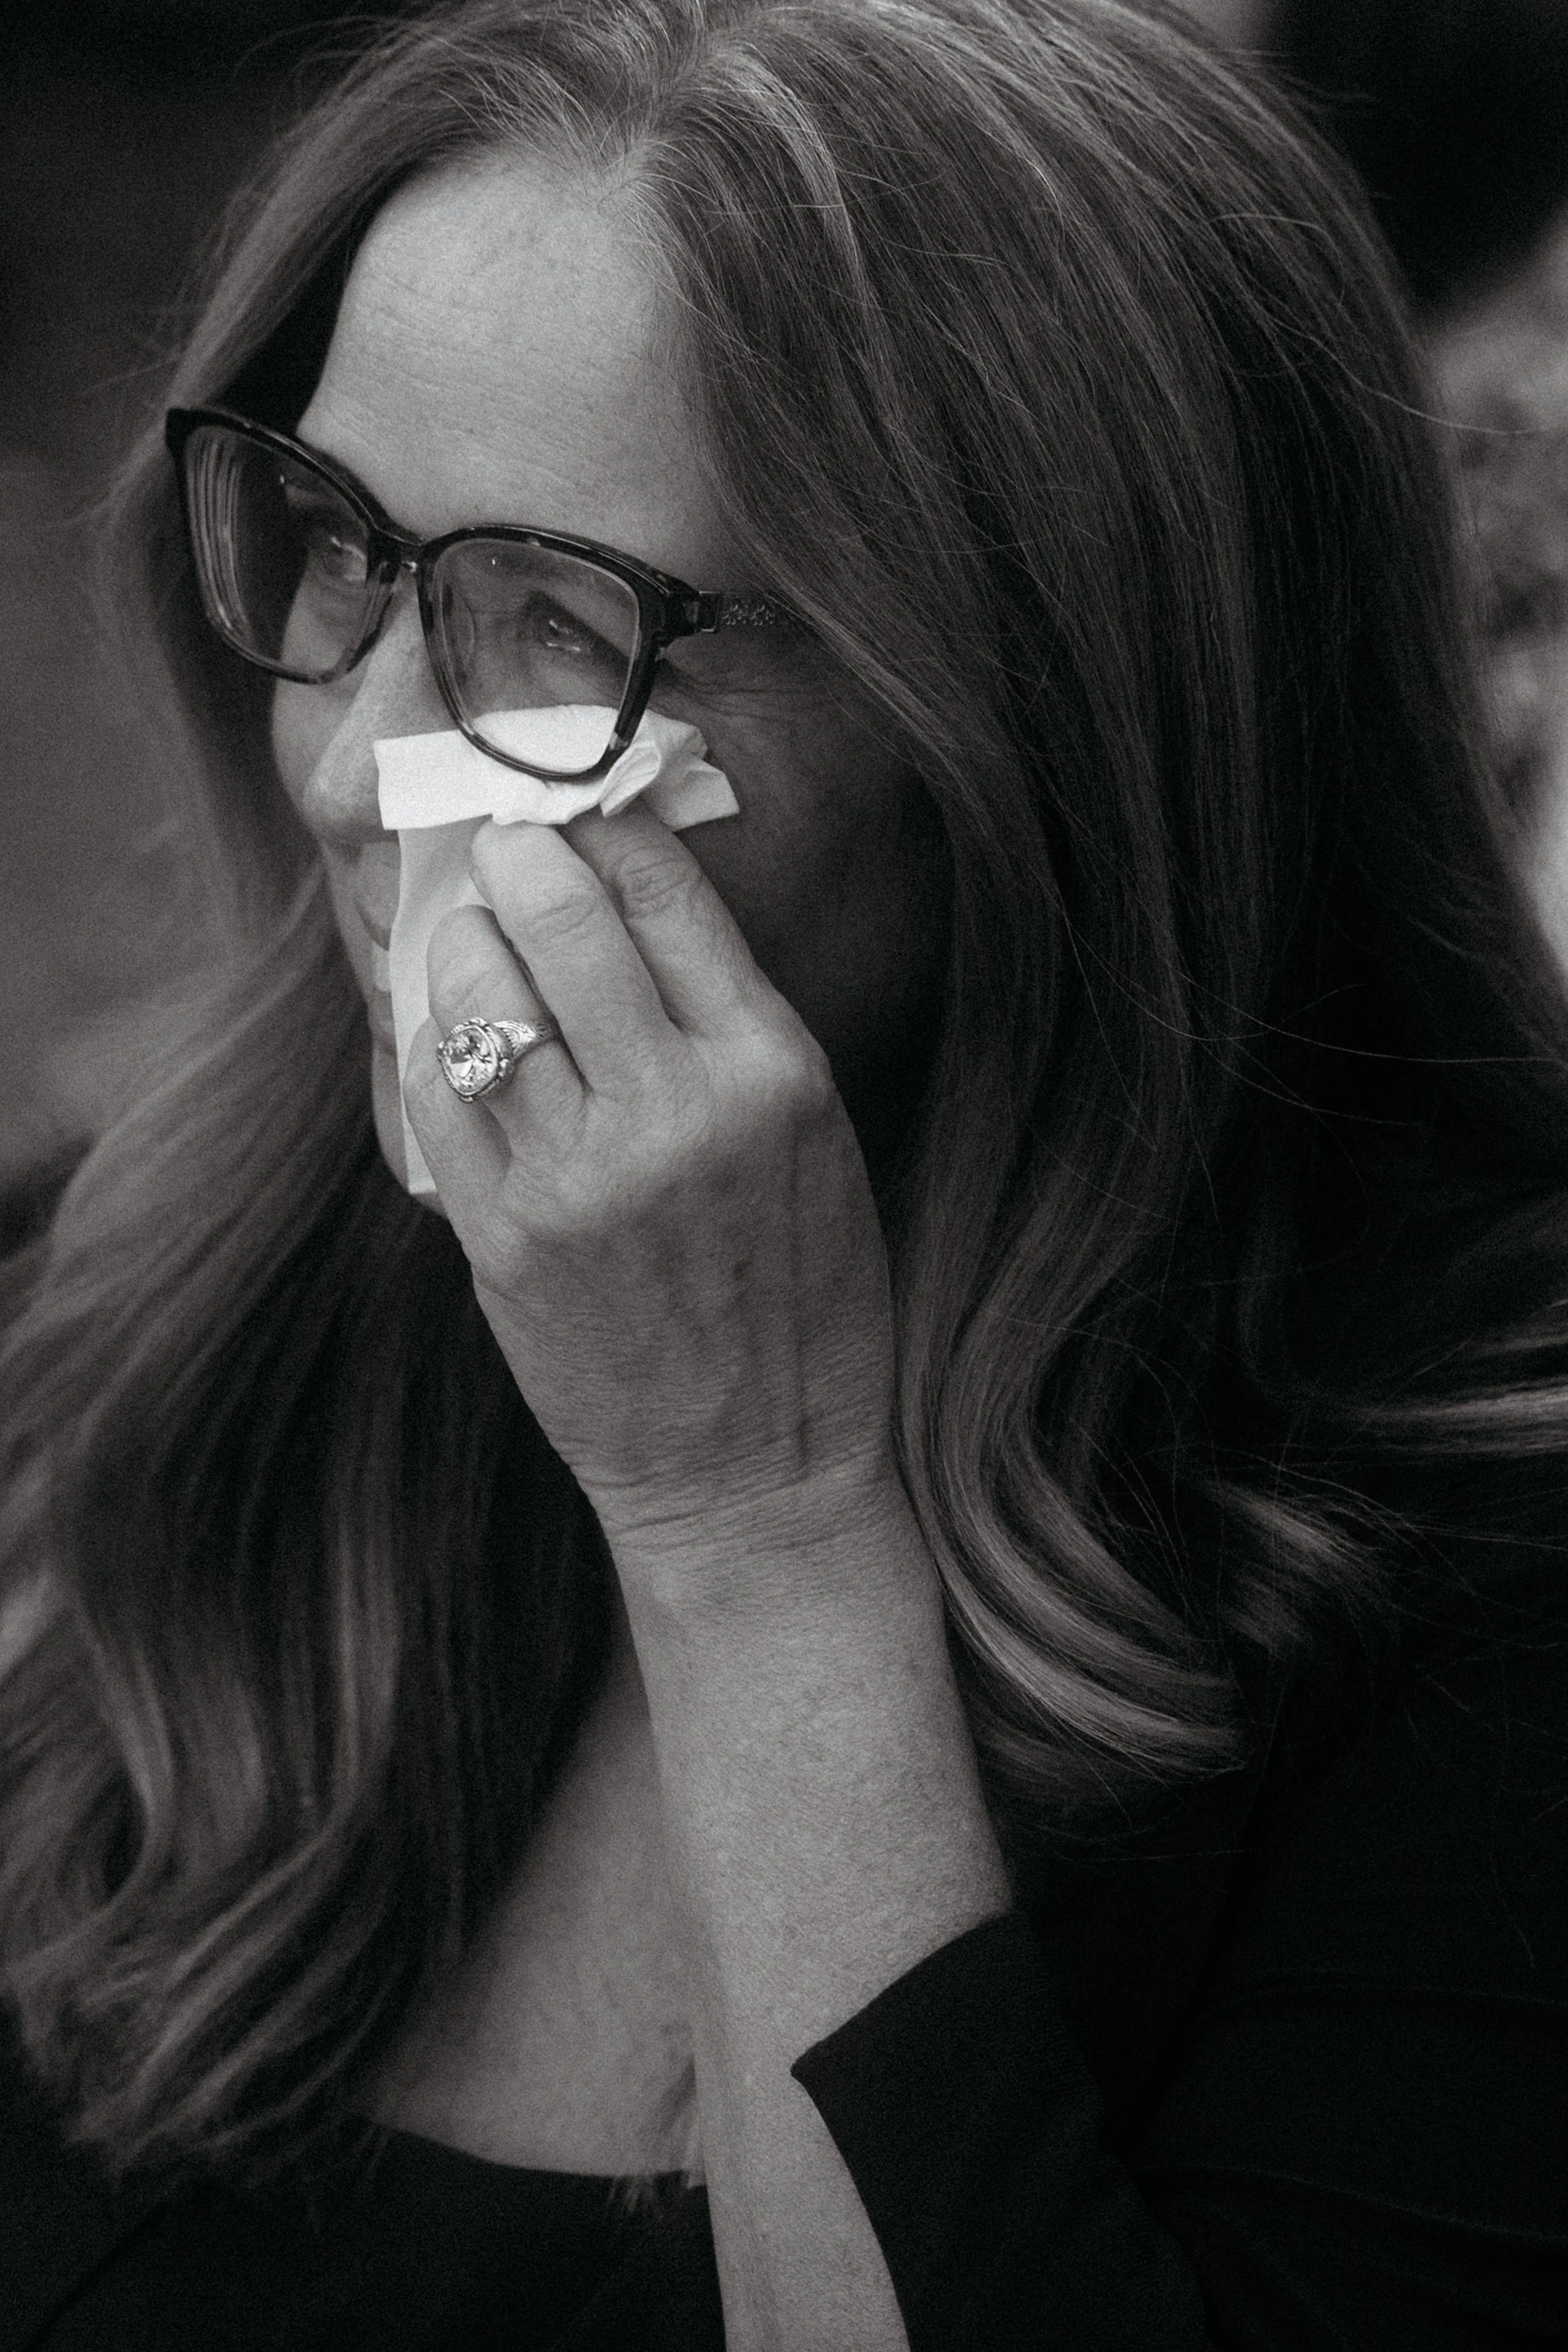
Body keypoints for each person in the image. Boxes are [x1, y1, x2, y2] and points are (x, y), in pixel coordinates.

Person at [2, 0, 1566, 2344]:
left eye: (555, 624)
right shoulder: (145, 1293)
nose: (354, 774)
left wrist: (751, 1521)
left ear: (1047, 730)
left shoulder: (1471, 1584)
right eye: (335, 542)